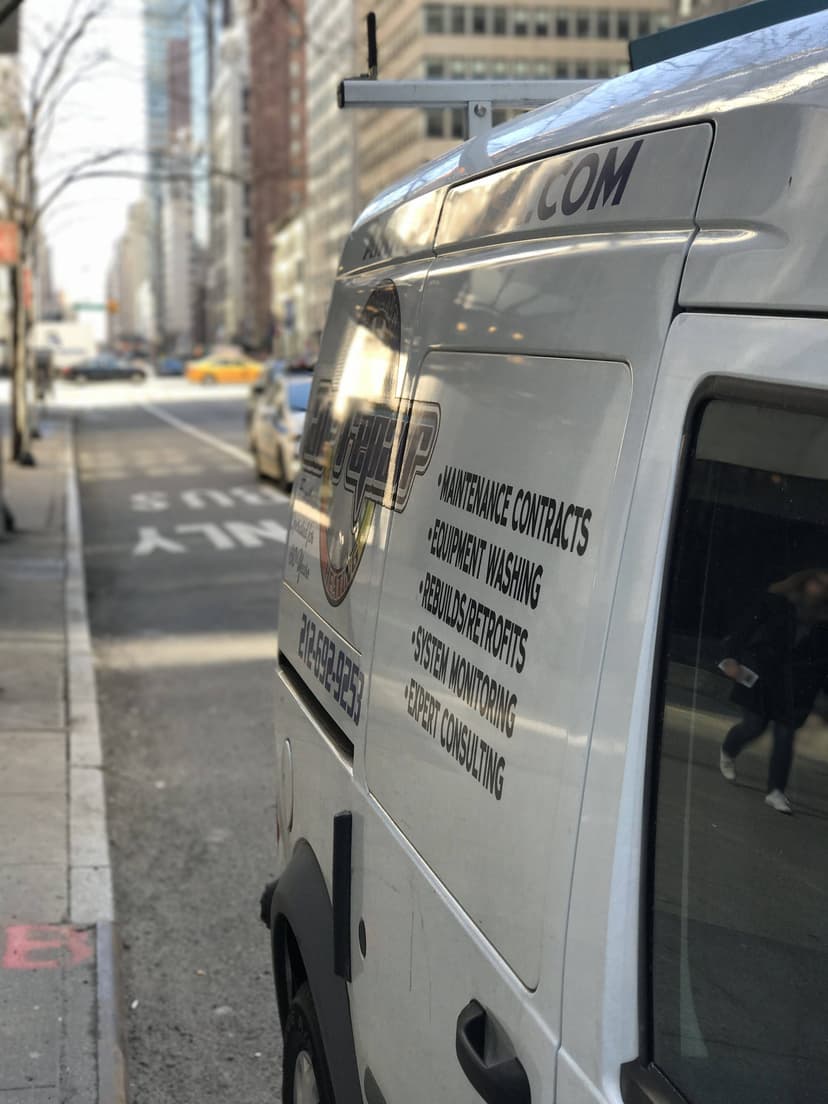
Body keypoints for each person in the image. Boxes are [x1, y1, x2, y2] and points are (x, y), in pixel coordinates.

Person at [718, 568, 828, 813]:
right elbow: (745, 628)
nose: (819, 590)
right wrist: (730, 658)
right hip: (765, 676)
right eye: (817, 583)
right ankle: (729, 749)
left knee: (785, 736)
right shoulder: (777, 603)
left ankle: (776, 791)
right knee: (754, 726)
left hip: (797, 686)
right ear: (804, 582)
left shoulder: (824, 620)